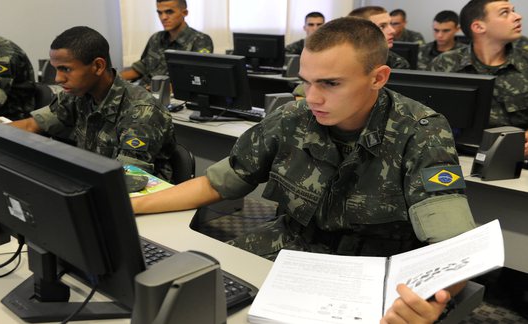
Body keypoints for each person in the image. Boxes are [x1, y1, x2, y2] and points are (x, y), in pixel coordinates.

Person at [133, 17, 476, 323]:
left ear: (378, 78)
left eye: (330, 83)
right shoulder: (292, 117)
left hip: (373, 268)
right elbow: (220, 182)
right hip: (291, 245)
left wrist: (426, 301)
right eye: (307, 82)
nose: (312, 97)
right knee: (197, 297)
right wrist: (133, 205)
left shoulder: (421, 130)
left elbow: (453, 243)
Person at [0, 26, 177, 181]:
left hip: (136, 204)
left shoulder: (141, 112)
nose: (58, 79)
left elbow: (129, 178)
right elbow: (31, 126)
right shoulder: (77, 95)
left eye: (66, 69)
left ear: (98, 66)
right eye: (55, 69)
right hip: (92, 187)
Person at [429, 0, 528, 157]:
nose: (517, 17)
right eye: (505, 12)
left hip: (517, 158)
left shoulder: (525, 62)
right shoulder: (445, 64)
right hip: (456, 156)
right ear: (479, 27)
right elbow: (427, 120)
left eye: (514, 11)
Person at [120, 0, 213, 87]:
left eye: (169, 12)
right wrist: (112, 78)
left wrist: (159, 89)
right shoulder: (156, 38)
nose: (163, 17)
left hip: (172, 98)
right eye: (160, 13)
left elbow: (198, 80)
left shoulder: (200, 40)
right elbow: (140, 68)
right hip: (143, 92)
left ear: (184, 13)